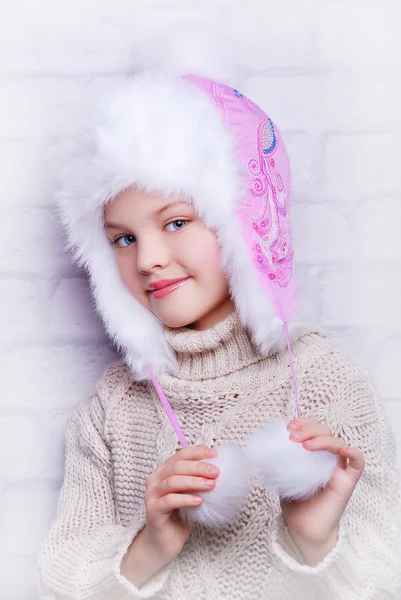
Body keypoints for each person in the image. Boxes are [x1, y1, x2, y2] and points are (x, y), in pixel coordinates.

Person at [38, 35, 401, 600]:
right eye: (123, 239)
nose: (148, 258)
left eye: (177, 222)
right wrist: (149, 546)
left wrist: (314, 539)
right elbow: (60, 577)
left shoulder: (330, 382)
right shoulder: (110, 409)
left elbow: (385, 574)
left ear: (243, 224)